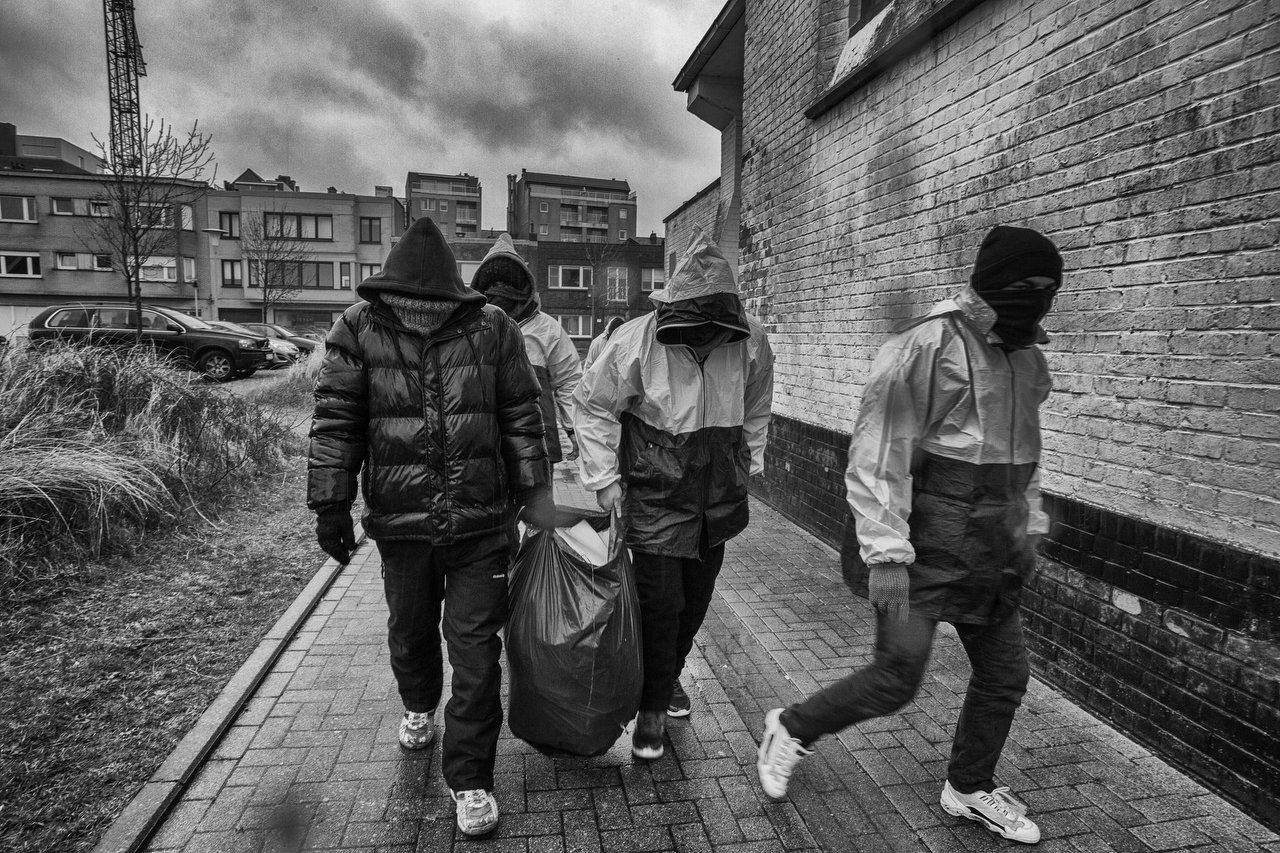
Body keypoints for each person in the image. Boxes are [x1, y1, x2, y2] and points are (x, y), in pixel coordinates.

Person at [755, 225, 1063, 845]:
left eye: (1048, 287)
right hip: (923, 549)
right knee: (897, 678)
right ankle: (791, 726)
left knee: (1006, 674)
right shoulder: (929, 346)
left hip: (990, 555)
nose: (1037, 295)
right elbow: (877, 453)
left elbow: (1026, 460)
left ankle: (969, 785)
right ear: (993, 282)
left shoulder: (1030, 361)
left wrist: (1028, 524)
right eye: (1024, 283)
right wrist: (887, 552)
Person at [307, 217, 554, 838]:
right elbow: (337, 419)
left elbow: (521, 414)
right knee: (411, 635)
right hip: (403, 526)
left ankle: (470, 778)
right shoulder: (357, 329)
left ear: (453, 295)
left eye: (432, 306)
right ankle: (419, 706)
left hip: (480, 524)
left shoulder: (492, 328)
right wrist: (330, 504)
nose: (421, 315)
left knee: (476, 654)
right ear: (390, 294)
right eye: (410, 306)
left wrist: (536, 491)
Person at [574, 231, 774, 759]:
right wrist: (605, 481)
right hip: (657, 488)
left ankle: (661, 682)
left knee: (695, 603)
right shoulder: (636, 341)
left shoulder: (751, 340)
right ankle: (652, 709)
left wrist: (747, 462)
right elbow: (594, 406)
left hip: (718, 496)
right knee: (661, 604)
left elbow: (756, 405)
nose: (707, 341)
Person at [471, 233, 583, 462]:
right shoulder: (469, 326)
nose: (500, 289)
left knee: (537, 497)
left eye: (507, 282)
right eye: (493, 284)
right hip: (483, 444)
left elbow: (568, 381)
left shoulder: (546, 329)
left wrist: (574, 430)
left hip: (538, 443)